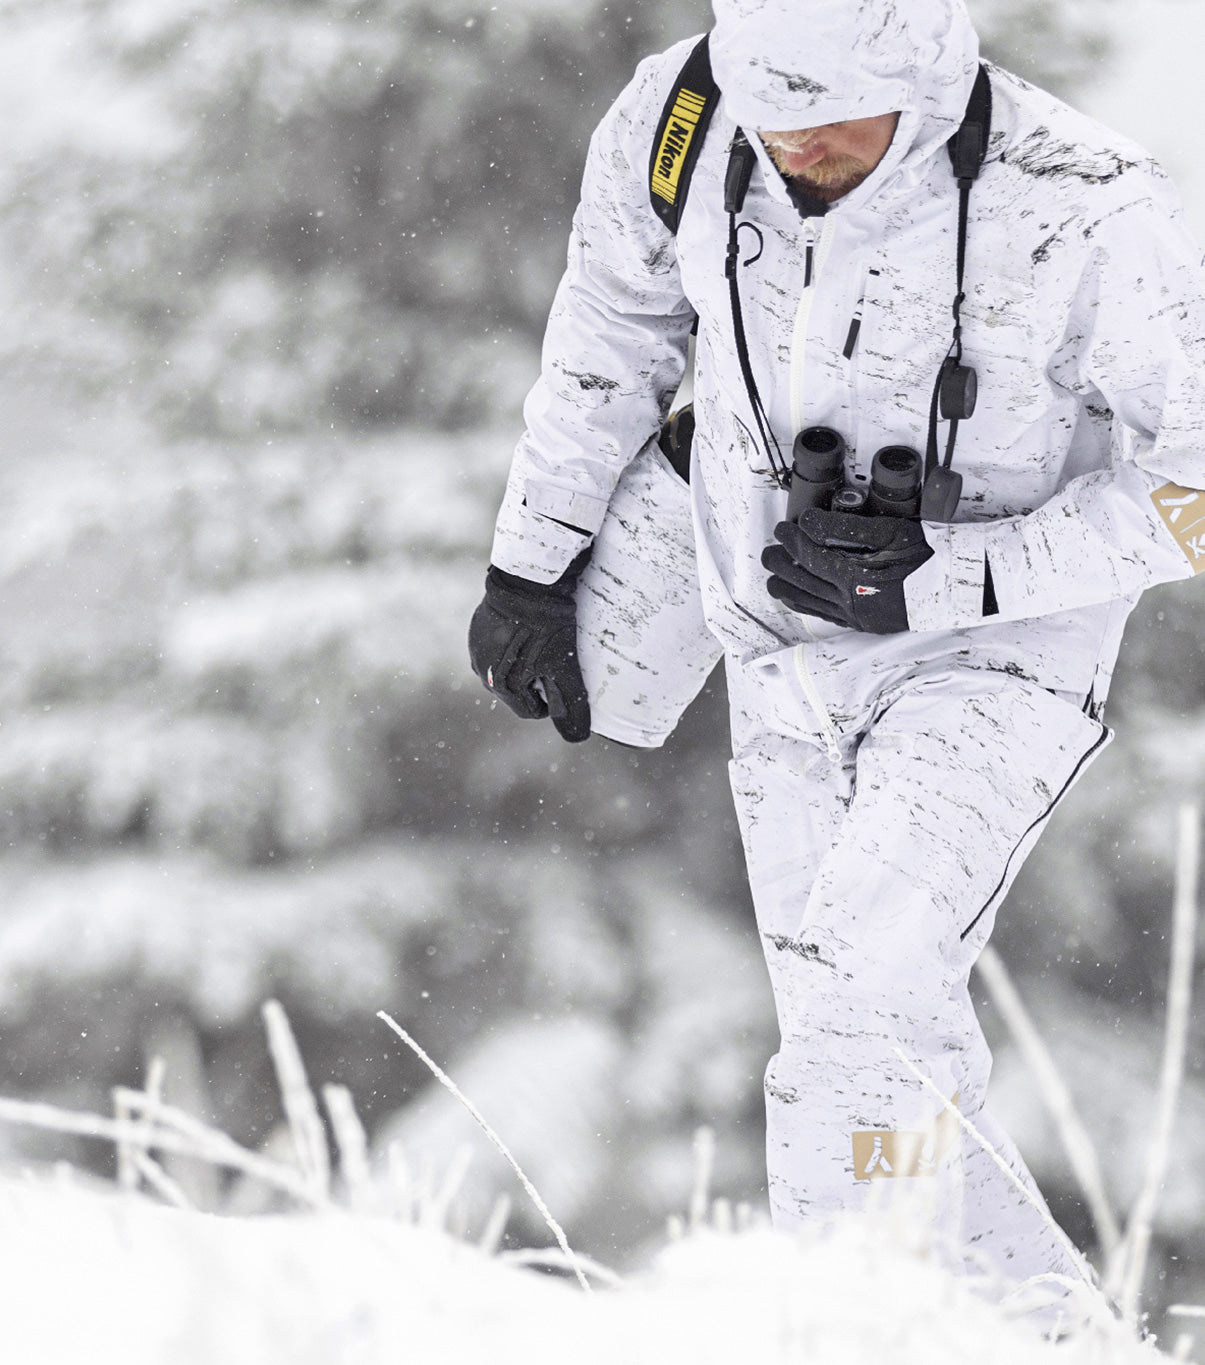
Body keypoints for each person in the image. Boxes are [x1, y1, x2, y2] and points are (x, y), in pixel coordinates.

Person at [468, 0, 1205, 1302]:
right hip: (775, 652)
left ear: (924, 82)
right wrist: (531, 565)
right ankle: (1019, 1334)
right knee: (856, 1042)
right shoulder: (681, 122)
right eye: (775, 117)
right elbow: (609, 342)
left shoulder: (1085, 204)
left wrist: (954, 567)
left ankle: (838, 1318)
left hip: (993, 667)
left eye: (832, 123)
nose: (795, 147)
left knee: (862, 1005)